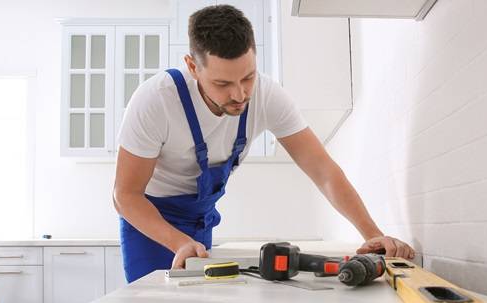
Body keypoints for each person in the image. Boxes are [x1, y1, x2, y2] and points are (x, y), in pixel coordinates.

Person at [113, 4, 415, 283]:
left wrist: (374, 235)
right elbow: (125, 196)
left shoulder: (268, 96)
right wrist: (177, 240)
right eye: (222, 84)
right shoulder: (156, 101)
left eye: (248, 77)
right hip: (148, 219)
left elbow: (323, 171)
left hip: (200, 219)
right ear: (193, 67)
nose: (240, 94)